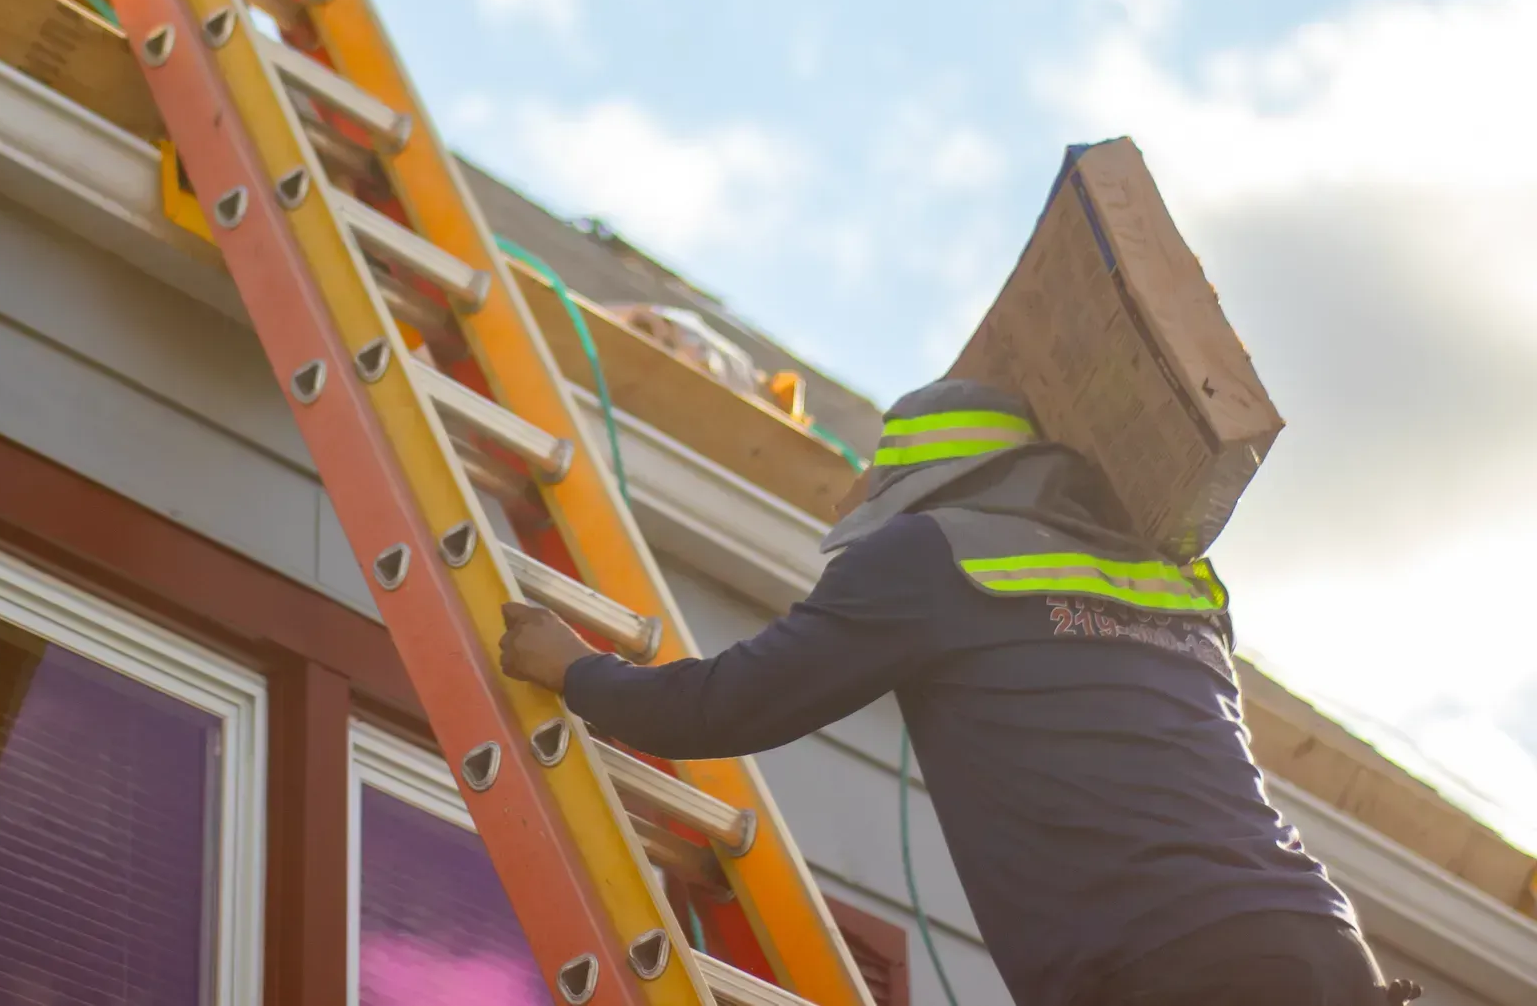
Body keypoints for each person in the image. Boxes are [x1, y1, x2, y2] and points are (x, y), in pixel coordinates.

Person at [499, 379, 1421, 1006]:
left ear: (920, 491)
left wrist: (577, 670)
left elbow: (733, 703)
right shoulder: (1174, 580)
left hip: (1167, 965)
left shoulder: (931, 552)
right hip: (1325, 947)